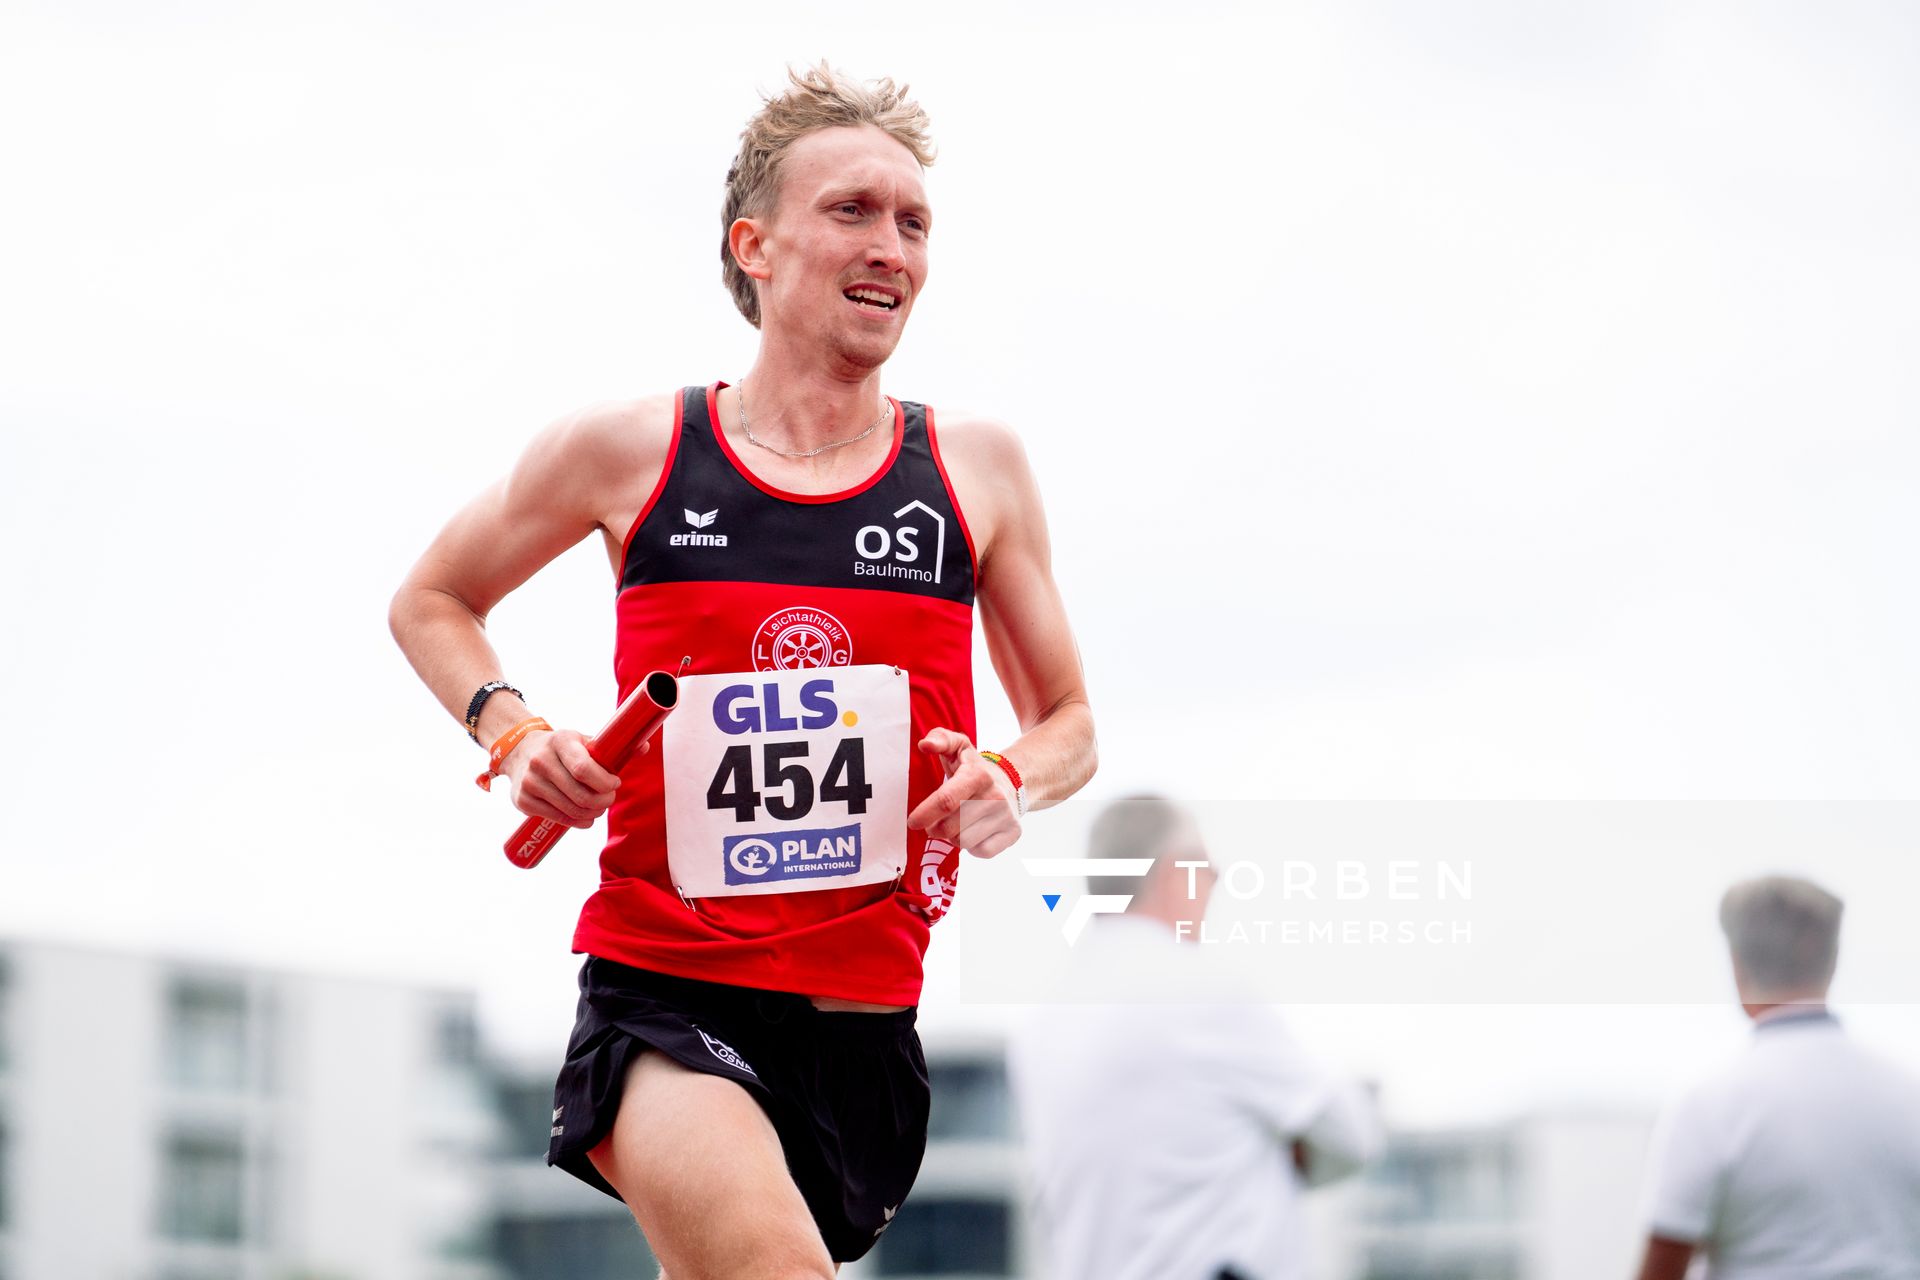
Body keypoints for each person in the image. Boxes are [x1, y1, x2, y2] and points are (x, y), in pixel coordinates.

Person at [388, 64, 1096, 1279]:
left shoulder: (975, 469)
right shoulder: (633, 448)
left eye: (914, 221)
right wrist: (514, 731)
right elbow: (432, 599)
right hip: (666, 988)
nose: (892, 247)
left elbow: (1070, 721)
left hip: (869, 1021)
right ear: (755, 245)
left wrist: (1005, 775)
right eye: (853, 211)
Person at [1008, 795, 1379, 1280]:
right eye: (1208, 868)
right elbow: (1352, 1135)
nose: (1216, 883)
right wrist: (1288, 1147)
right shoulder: (1202, 990)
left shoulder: (1043, 1023)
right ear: (1174, 873)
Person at [1633, 875, 1920, 1280]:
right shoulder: (1910, 1094)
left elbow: (1660, 1271)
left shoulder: (1709, 1103)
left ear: (1737, 964)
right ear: (1832, 960)